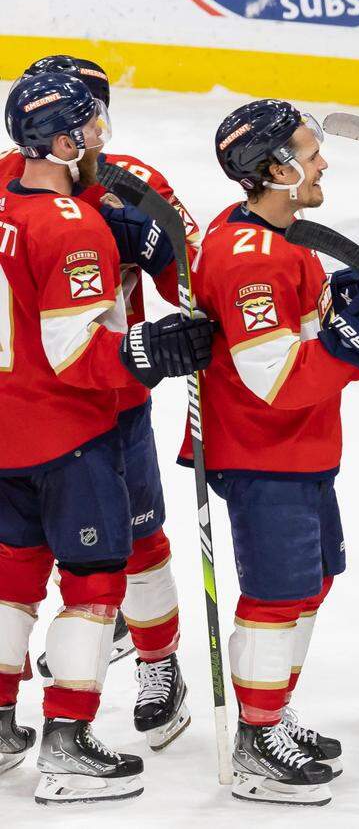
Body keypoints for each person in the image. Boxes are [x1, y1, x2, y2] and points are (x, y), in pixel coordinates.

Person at [189, 98, 359, 806]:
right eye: (310, 151)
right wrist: (355, 342)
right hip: (263, 451)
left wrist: (340, 308)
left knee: (312, 580)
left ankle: (271, 709)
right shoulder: (248, 257)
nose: (321, 161)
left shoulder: (279, 239)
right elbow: (275, 378)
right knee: (277, 593)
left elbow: (295, 333)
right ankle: (257, 740)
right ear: (275, 168)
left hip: (300, 449)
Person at [0, 72, 212, 803]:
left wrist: (161, 246)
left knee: (138, 542)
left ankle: (158, 663)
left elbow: (200, 275)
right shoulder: (48, 205)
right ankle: (68, 730)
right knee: (99, 567)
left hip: (95, 405)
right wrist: (150, 350)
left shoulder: (132, 182)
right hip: (88, 391)